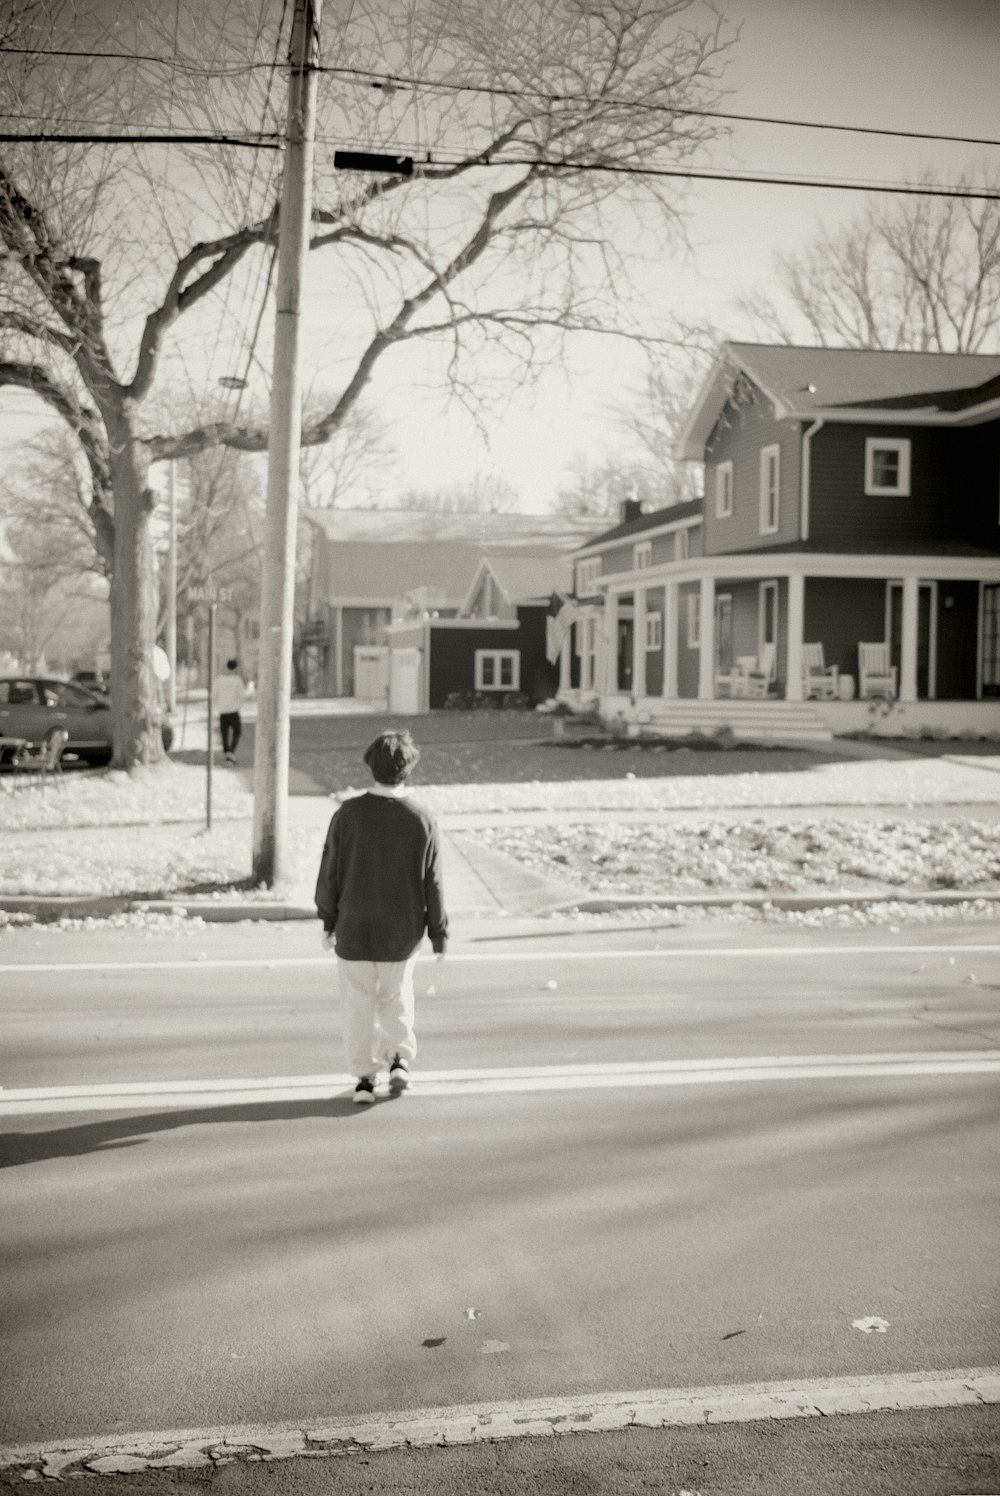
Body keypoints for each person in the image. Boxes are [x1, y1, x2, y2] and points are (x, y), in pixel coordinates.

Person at [315, 729, 448, 1105]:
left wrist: (328, 920)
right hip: (402, 932)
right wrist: (439, 934)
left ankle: (363, 1079)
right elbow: (432, 881)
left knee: (357, 1006)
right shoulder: (422, 818)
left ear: (371, 767)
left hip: (355, 928)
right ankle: (399, 1061)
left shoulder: (349, 814)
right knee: (397, 998)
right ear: (409, 769)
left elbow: (331, 870)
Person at [214, 658, 244, 765]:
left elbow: (214, 695)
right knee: (237, 732)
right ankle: (231, 752)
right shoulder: (237, 680)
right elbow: (242, 695)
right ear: (235, 668)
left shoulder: (219, 680)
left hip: (222, 711)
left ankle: (227, 753)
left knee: (224, 733)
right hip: (234, 710)